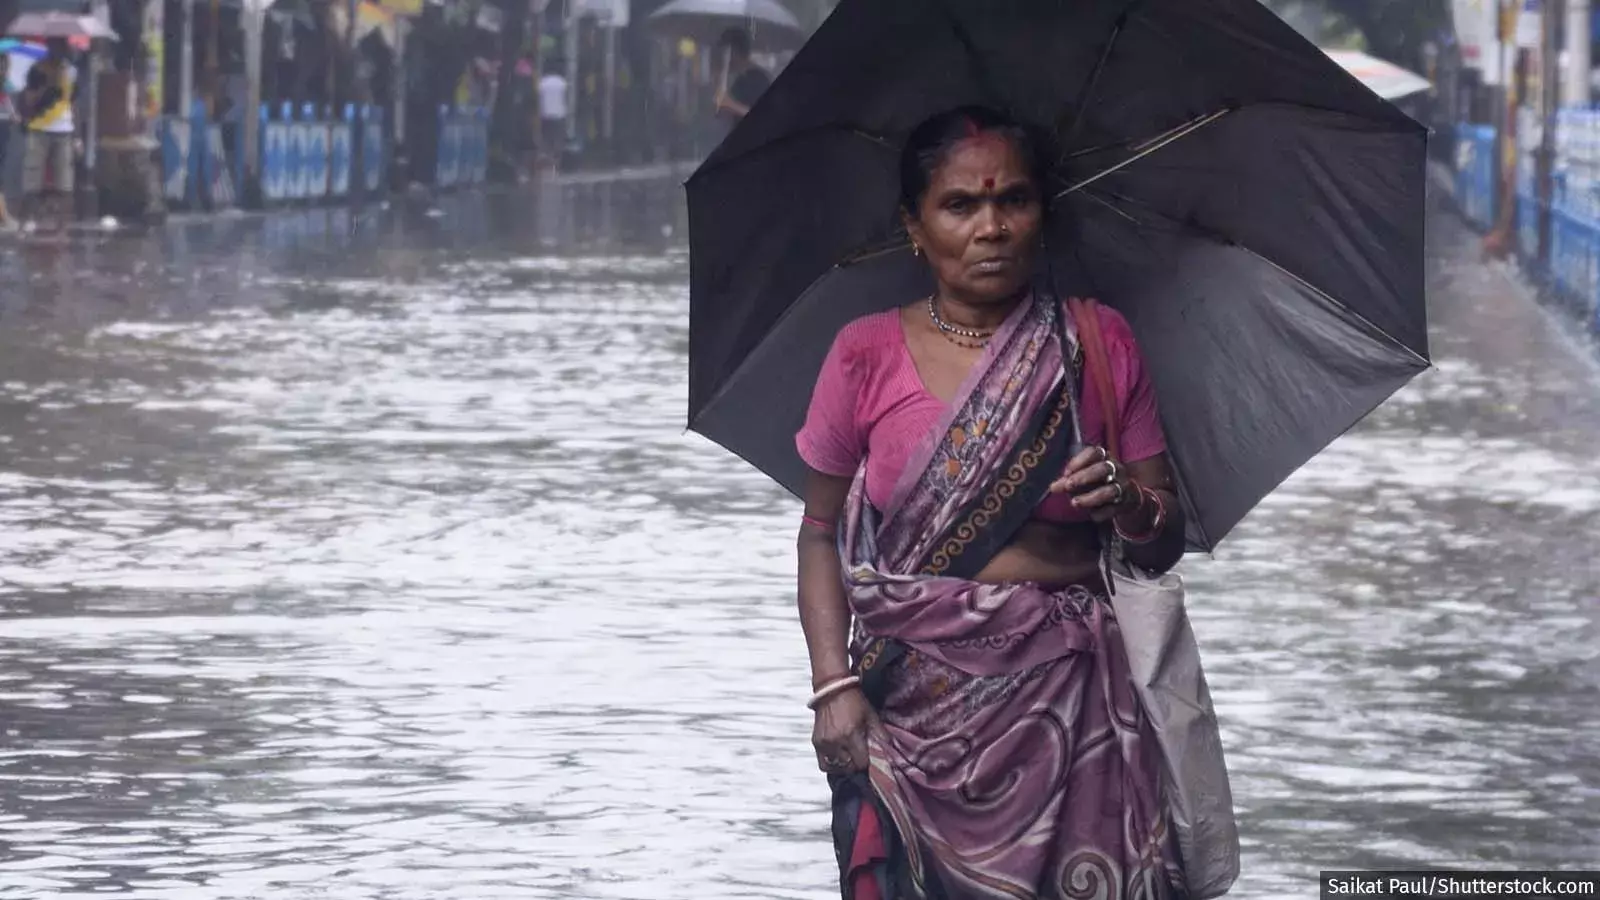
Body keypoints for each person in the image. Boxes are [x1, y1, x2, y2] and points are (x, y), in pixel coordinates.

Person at [793, 105, 1191, 899]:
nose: (992, 226)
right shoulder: (863, 353)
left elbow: (1164, 538)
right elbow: (818, 536)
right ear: (915, 224)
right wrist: (834, 687)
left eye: (1013, 199)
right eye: (961, 205)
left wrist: (1124, 501)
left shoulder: (1097, 343)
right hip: (907, 717)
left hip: (1073, 716)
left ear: (1043, 213)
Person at [20, 38, 77, 228]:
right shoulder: (37, 69)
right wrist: (47, 85)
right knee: (32, 179)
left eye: (62, 47)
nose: (59, 51)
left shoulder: (71, 71)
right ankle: (30, 219)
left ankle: (63, 224)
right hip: (39, 129)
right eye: (55, 47)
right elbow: (28, 101)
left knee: (64, 181)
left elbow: (73, 102)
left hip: (64, 129)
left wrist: (77, 135)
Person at [713, 27, 769, 135]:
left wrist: (730, 104)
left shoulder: (759, 80)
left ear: (734, 52)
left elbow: (764, 116)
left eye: (724, 52)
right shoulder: (739, 80)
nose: (721, 57)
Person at [537, 63, 568, 169]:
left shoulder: (542, 82)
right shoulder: (562, 82)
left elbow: (539, 97)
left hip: (545, 114)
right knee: (558, 139)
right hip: (559, 113)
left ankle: (547, 162)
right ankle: (557, 162)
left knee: (546, 138)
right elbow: (565, 97)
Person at [0, 53, 19, 229]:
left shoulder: (5, 87)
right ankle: (3, 215)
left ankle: (3, 214)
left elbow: (8, 105)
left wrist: (13, 116)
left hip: (4, 127)